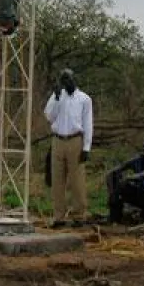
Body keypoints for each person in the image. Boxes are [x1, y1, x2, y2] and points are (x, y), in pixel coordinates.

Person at [43, 68, 93, 226]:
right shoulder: (57, 96)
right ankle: (59, 216)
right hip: (58, 140)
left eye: (68, 79)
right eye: (63, 80)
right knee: (57, 179)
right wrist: (56, 98)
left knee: (76, 179)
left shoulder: (84, 99)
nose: (66, 82)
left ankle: (79, 215)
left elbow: (88, 124)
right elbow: (49, 116)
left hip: (75, 140)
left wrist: (86, 147)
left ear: (74, 79)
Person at [107, 141, 144, 224]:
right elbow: (112, 172)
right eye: (143, 148)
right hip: (139, 194)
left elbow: (142, 175)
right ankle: (115, 218)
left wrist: (128, 178)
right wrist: (112, 193)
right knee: (119, 187)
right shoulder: (137, 160)